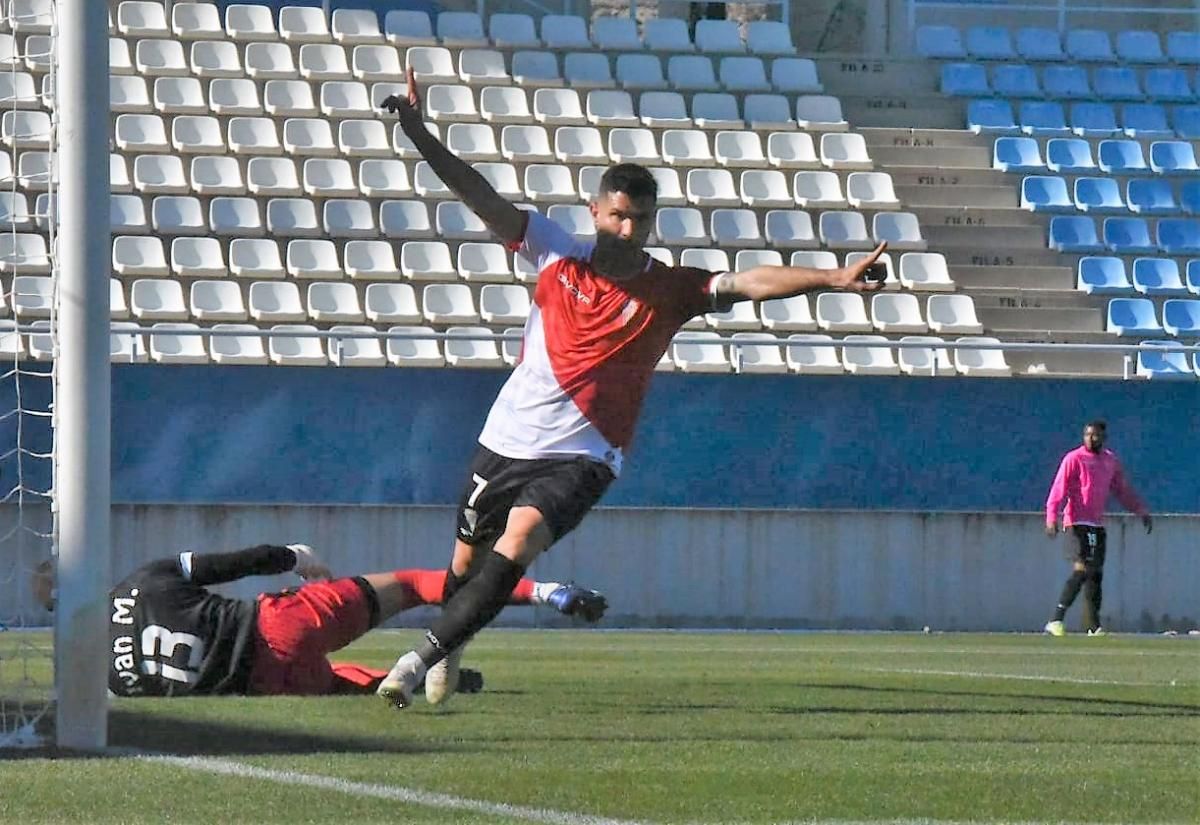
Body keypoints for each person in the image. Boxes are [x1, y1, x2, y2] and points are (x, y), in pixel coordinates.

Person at [374, 68, 888, 710]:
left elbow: (749, 282)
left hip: (585, 455)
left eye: (639, 220)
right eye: (617, 216)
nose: (626, 229)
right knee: (464, 565)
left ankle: (413, 660)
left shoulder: (669, 288)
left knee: (519, 543)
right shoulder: (553, 253)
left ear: (651, 222)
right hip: (505, 439)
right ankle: (451, 646)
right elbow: (478, 194)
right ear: (596, 211)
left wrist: (834, 277)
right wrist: (420, 133)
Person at [32, 544, 606, 697]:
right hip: (277, 626)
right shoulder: (141, 581)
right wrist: (291, 556)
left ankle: (414, 679)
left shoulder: (109, 679)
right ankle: (544, 591)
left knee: (341, 685)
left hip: (269, 685)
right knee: (412, 586)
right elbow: (230, 565)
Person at [1043, 420, 1152, 637]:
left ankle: (1093, 625)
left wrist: (1140, 510)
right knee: (1082, 569)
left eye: (1096, 435)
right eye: (1088, 435)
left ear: (1104, 437)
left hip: (1097, 524)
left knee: (1095, 574)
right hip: (1076, 522)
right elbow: (1059, 488)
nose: (1092, 439)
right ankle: (1055, 620)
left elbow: (1122, 490)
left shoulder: (1110, 461)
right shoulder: (1074, 458)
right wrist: (1051, 517)